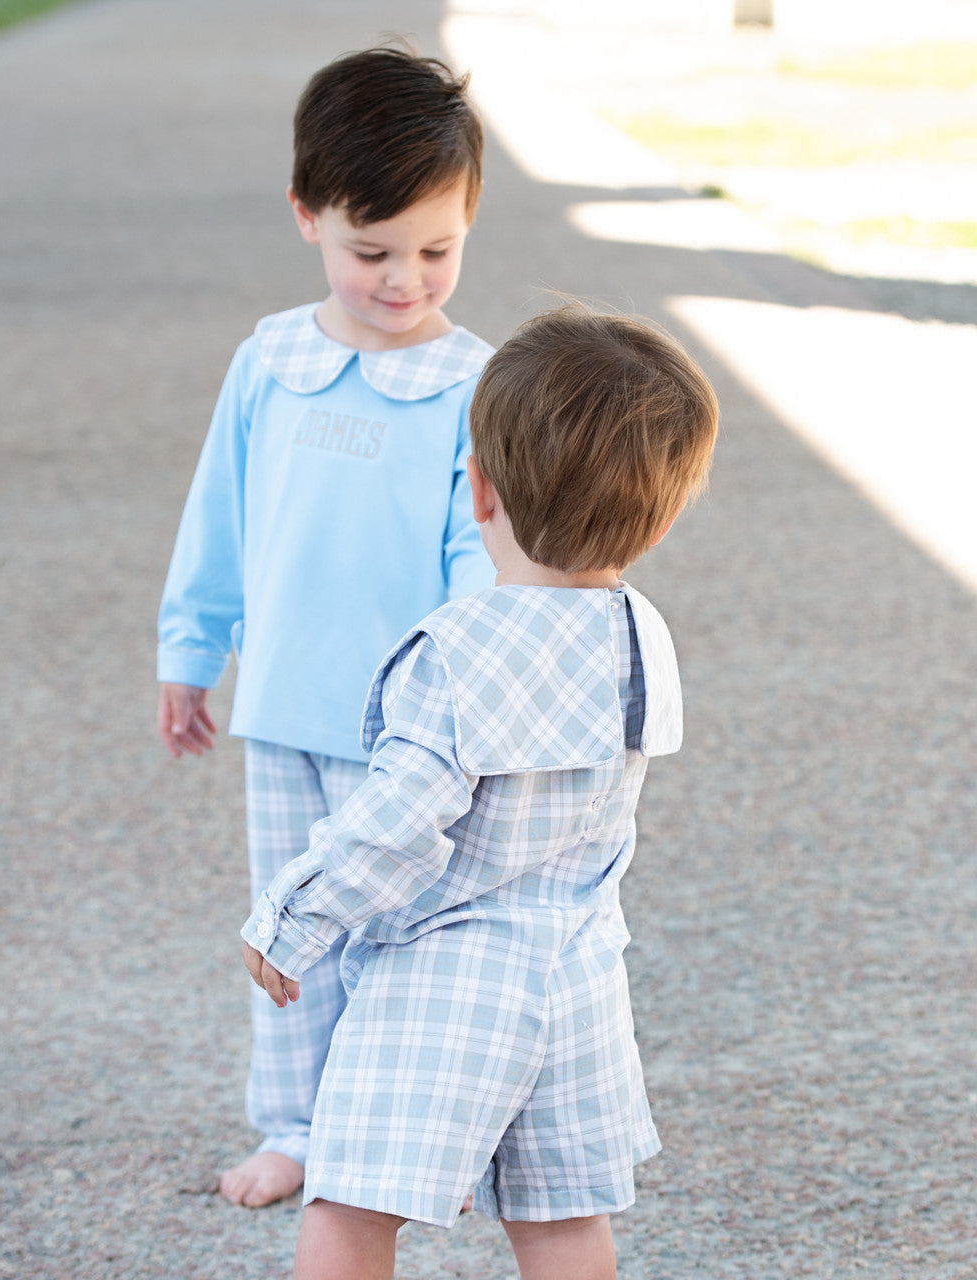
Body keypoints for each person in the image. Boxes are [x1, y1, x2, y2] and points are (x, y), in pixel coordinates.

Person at [241, 305, 720, 1279]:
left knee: (350, 1201)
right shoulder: (642, 638)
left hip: (446, 975)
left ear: (478, 491)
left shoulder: (455, 650)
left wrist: (291, 915)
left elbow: (396, 819)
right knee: (560, 1221)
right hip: (578, 978)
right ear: (663, 519)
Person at [156, 46, 494, 1208]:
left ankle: (391, 1119)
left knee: (399, 926)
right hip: (286, 708)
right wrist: (188, 654)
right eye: (372, 251)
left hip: (409, 727)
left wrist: (460, 698)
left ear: (468, 222)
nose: (405, 280)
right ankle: (296, 1123)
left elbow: (475, 551)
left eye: (436, 250)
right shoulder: (274, 358)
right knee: (289, 929)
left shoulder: (471, 381)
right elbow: (221, 513)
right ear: (308, 217)